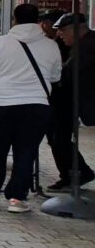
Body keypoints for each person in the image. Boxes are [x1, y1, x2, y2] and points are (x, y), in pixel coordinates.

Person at [0, 3, 60, 212]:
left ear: (14, 20)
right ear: (38, 21)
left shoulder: (1, 43)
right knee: (26, 151)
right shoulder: (51, 46)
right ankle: (17, 199)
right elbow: (55, 76)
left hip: (2, 104)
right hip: (36, 106)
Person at [46, 12, 95, 193]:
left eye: (63, 30)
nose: (59, 34)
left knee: (59, 138)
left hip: (76, 102)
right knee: (58, 138)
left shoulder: (88, 46)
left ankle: (76, 174)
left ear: (75, 30)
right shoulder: (82, 44)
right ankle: (73, 174)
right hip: (71, 102)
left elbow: (67, 73)